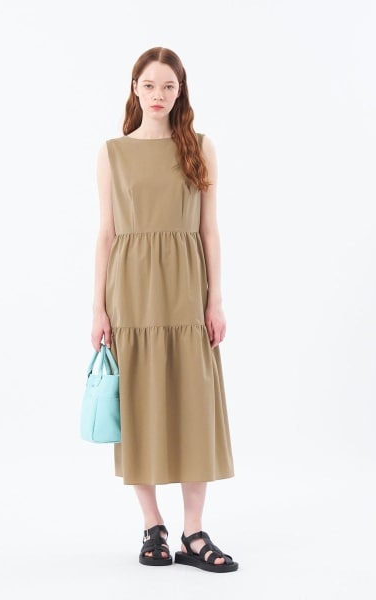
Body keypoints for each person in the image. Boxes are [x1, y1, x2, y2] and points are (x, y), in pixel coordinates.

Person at [90, 46, 238, 573]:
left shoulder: (199, 146)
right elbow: (106, 234)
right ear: (135, 89)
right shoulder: (113, 152)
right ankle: (152, 524)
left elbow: (209, 231)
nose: (158, 95)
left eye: (168, 86)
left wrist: (215, 300)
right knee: (141, 404)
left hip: (186, 290)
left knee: (194, 404)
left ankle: (193, 533)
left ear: (181, 91)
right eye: (149, 85)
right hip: (131, 293)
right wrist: (97, 309)